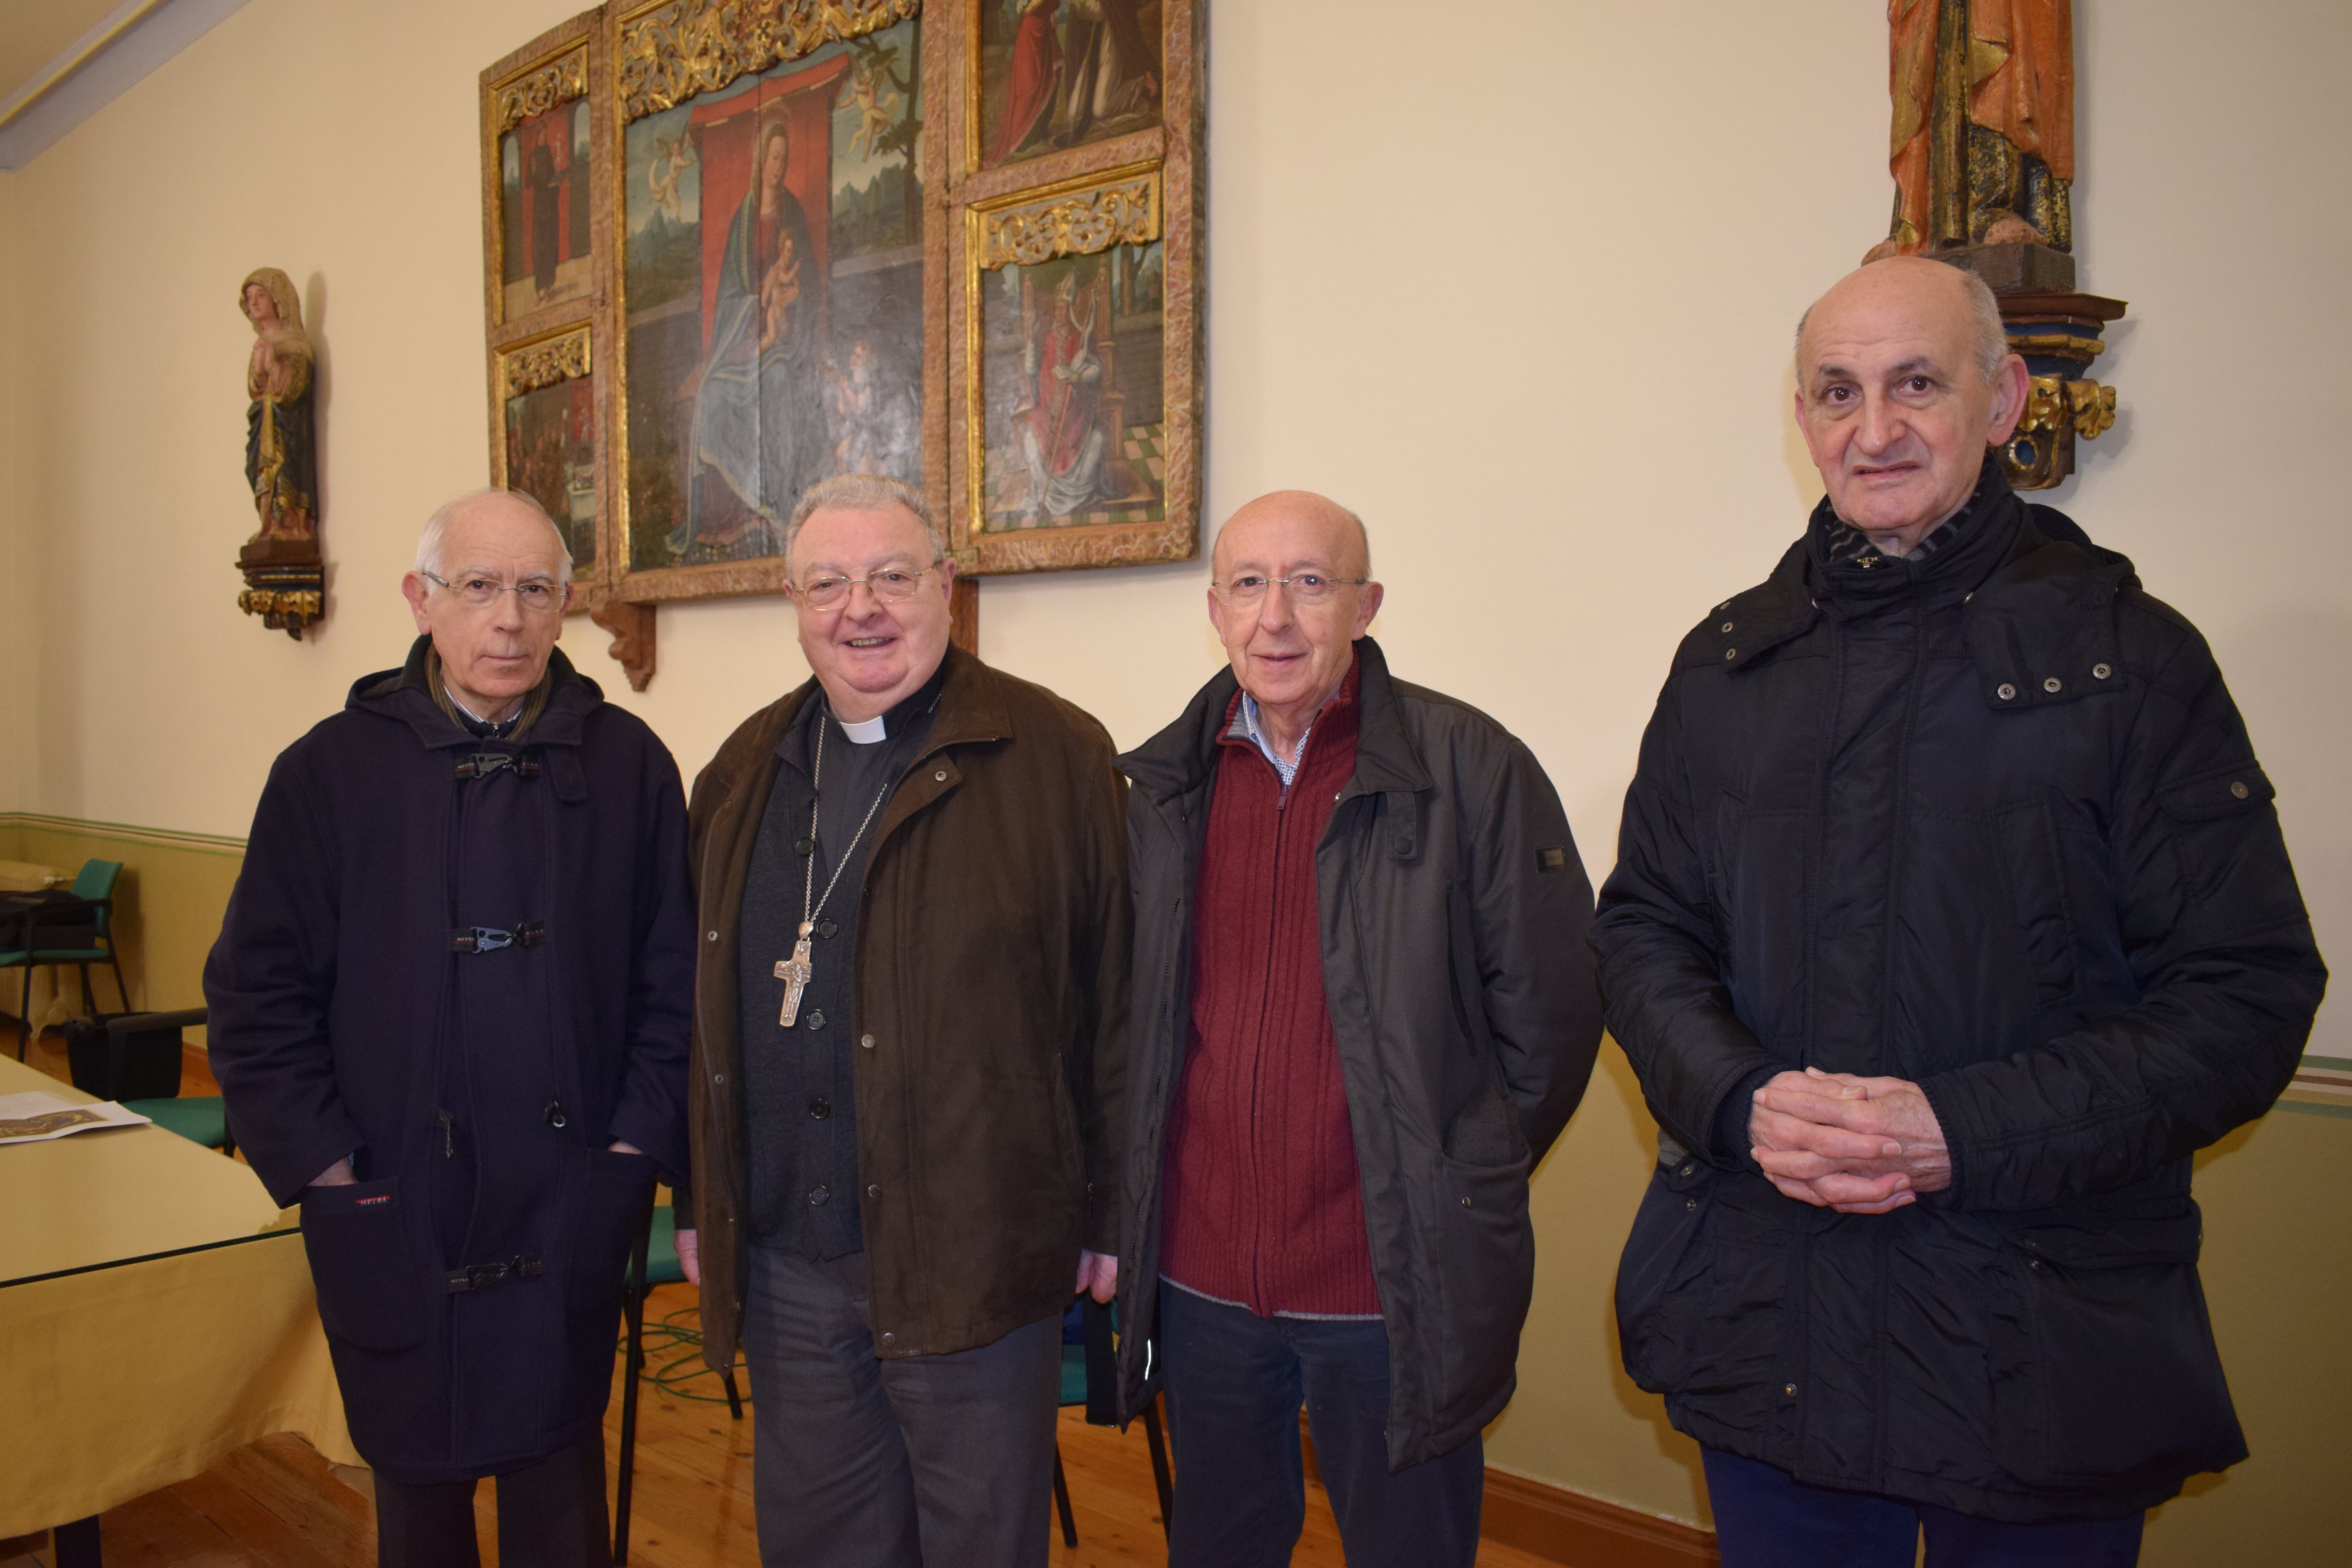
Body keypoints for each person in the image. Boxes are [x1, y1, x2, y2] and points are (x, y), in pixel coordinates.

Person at [1593, 256, 2326, 1567]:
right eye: (1838, 391)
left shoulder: (2136, 659)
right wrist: (1741, 1097)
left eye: (1917, 382)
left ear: (2004, 398)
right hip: (1772, 1327)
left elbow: (2247, 994)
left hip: (2040, 1348)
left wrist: (1957, 1130)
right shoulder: (1725, 666)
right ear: (1803, 418)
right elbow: (1645, 932)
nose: (1874, 429)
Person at [205, 489, 695, 1568]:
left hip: (572, 1192)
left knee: (558, 1475)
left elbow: (676, 984)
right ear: (421, 600)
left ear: (567, 605)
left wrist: (628, 1149)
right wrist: (329, 1167)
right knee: (415, 1490)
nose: (507, 620)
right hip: (391, 1197)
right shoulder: (327, 773)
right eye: (478, 588)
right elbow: (255, 993)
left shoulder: (629, 769)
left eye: (534, 590)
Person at [1115, 490, 1604, 1568]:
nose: (1275, 618)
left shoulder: (1467, 766)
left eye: (1310, 582)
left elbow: (1555, 1013)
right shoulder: (1157, 789)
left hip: (1387, 1280)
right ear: (1214, 606)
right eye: (1249, 584)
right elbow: (1130, 1029)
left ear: (1365, 605)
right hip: (1201, 1284)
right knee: (1221, 1546)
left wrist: (1453, 1169)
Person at [674, 472, 1128, 1567]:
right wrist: (701, 1199)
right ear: (792, 602)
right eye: (825, 583)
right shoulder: (744, 769)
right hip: (790, 1259)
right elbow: (698, 1022)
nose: (857, 609)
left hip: (973, 1256)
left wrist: (1113, 1212)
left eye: (890, 576)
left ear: (948, 588)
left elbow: (1115, 1006)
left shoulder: (1058, 755)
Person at [679, 120, 830, 560]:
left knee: (781, 381)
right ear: (760, 160)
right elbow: (729, 297)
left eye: (785, 158)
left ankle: (781, 505)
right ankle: (734, 514)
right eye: (773, 157)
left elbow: (811, 283)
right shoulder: (743, 221)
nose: (779, 167)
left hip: (787, 339)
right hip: (746, 340)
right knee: (713, 393)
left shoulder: (795, 213)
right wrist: (758, 299)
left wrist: (786, 302)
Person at [239, 267, 316, 542]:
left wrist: (274, 367)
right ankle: (268, 523)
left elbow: (294, 389)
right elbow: (256, 390)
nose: (256, 303)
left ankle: (290, 525)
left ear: (278, 300)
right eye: (250, 298)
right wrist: (260, 373)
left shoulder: (295, 344)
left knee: (286, 468)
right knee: (258, 468)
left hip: (287, 424)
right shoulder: (261, 344)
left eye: (262, 295)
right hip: (265, 422)